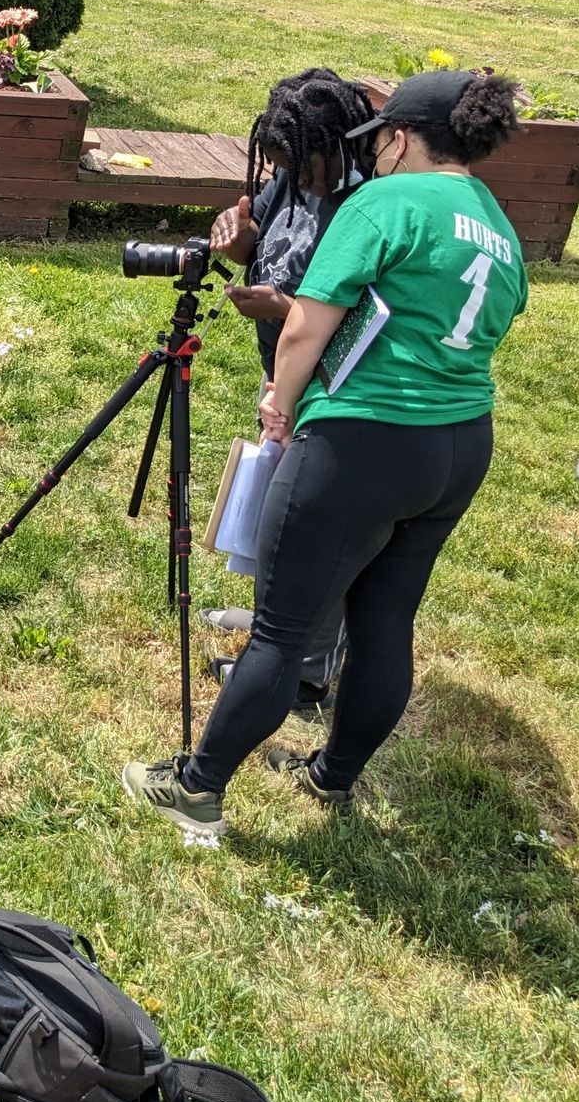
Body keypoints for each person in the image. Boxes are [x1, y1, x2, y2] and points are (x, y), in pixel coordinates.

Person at [123, 69, 529, 835]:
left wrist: (280, 400)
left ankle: (196, 787)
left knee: (280, 629)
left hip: (363, 441)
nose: (372, 157)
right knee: (386, 624)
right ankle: (332, 779)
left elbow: (309, 321)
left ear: (401, 137)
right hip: (460, 445)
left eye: (379, 143)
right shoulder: (497, 223)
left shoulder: (386, 201)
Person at [202, 69, 379, 708]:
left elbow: (356, 319)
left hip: (335, 389)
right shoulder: (287, 182)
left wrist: (282, 310)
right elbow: (267, 256)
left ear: (334, 146)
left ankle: (305, 667)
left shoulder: (364, 208)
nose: (292, 180)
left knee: (319, 533)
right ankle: (274, 622)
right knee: (280, 516)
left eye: (301, 168)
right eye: (280, 167)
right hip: (284, 376)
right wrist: (242, 242)